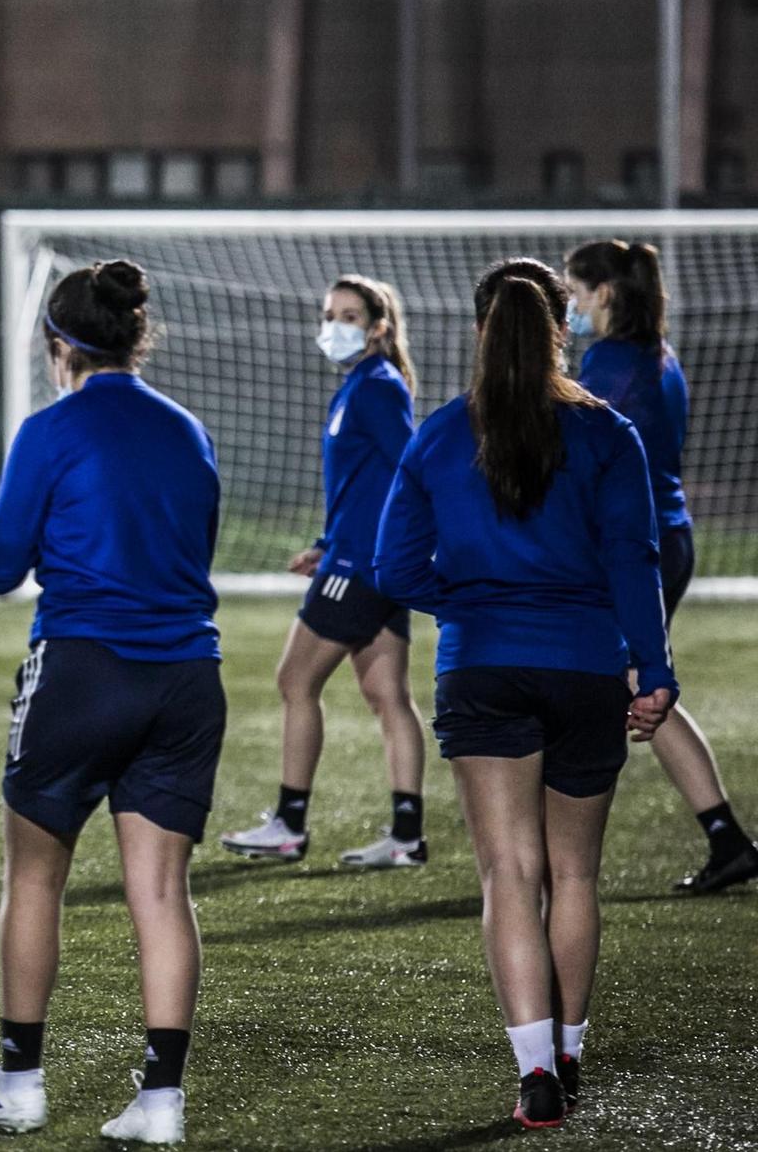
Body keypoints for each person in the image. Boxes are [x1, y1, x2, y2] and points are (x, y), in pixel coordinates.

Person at [375, 258, 674, 1129]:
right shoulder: (608, 433)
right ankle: (573, 1048)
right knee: (574, 872)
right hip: (585, 666)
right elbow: (635, 560)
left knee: (511, 872)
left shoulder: (438, 434)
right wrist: (653, 670)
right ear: (560, 329)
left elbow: (396, 568)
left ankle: (535, 1072)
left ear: (480, 331)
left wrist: (468, 604)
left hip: (481, 667)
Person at [0, 261, 223, 1144]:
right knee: (162, 890)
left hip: (83, 669)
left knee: (35, 875)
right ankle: (161, 1102)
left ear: (58, 347)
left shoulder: (51, 428)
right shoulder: (189, 431)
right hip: (187, 678)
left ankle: (19, 1081)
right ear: (133, 336)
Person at [565, 239, 757, 894]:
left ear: (605, 293)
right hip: (666, 536)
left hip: (631, 545)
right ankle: (725, 835)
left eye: (576, 292)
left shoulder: (610, 361)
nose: (571, 305)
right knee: (637, 683)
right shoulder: (659, 356)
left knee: (593, 685)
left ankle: (551, 845)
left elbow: (571, 445)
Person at [221, 276, 428, 867]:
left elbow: (409, 473)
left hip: (361, 566)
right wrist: (325, 541)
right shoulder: (360, 386)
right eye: (330, 313)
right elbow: (362, 486)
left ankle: (289, 825)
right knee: (387, 694)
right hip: (360, 557)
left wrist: (360, 553)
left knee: (294, 681)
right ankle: (406, 836)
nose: (335, 325)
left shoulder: (378, 389)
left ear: (378, 328)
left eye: (349, 315)